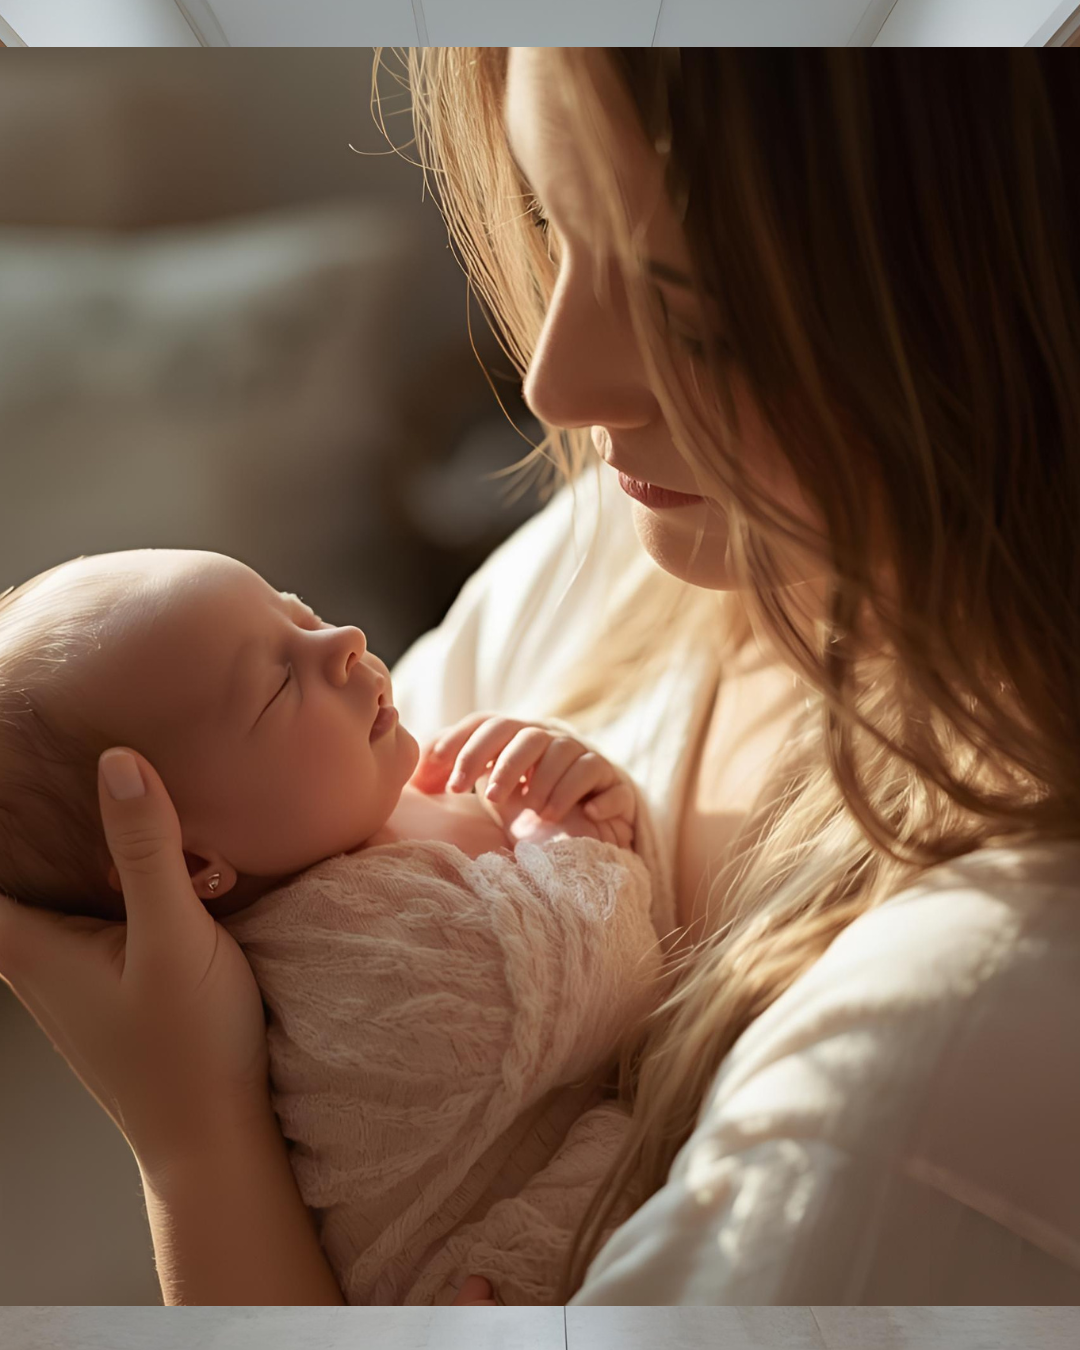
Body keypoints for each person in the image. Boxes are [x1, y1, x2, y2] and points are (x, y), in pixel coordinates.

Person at [2, 44, 1080, 1305]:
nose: (552, 383)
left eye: (697, 318)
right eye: (549, 219)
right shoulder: (624, 549)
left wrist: (194, 1143)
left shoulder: (939, 1057)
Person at [0, 546, 666, 1305]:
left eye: (298, 610)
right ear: (188, 865)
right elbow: (582, 973)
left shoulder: (367, 802)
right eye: (279, 682)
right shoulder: (343, 957)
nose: (343, 641)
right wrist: (567, 829)